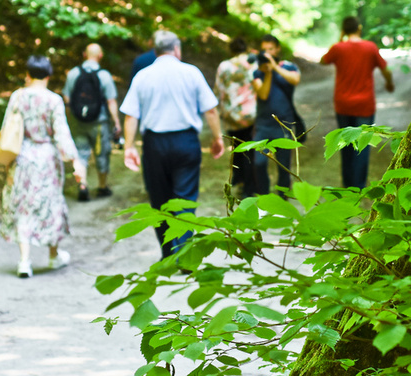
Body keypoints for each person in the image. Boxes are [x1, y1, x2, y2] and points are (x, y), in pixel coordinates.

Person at [120, 30, 224, 259]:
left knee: (159, 199)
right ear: (177, 49)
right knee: (185, 199)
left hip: (154, 144)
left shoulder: (143, 76)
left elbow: (130, 115)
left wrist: (129, 146)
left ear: (155, 50)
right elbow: (211, 109)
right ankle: (186, 254)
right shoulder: (191, 73)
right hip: (186, 142)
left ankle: (168, 254)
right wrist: (218, 138)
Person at [0, 55, 87, 278]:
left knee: (23, 206)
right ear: (48, 76)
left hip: (22, 157)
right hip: (47, 158)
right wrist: (75, 161)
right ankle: (53, 256)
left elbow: (6, 130)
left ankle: (24, 261)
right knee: (50, 205)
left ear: (27, 75)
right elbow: (62, 134)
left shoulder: (17, 97)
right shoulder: (53, 100)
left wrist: (6, 161)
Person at [320, 16, 394, 189]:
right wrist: (389, 83)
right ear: (359, 29)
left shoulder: (338, 48)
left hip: (343, 105)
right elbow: (385, 69)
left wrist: (340, 40)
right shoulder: (370, 47)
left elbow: (322, 61)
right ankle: (358, 188)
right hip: (364, 106)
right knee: (362, 146)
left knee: (344, 145)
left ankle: (347, 186)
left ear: (344, 30)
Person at [62, 43, 122, 201]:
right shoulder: (104, 75)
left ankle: (82, 185)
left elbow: (67, 97)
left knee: (80, 153)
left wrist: (72, 117)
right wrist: (117, 122)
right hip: (99, 123)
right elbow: (111, 101)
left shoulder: (73, 73)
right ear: (100, 55)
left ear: (84, 54)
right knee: (101, 153)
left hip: (78, 122)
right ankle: (102, 187)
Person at [251, 34, 301, 196]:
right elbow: (263, 95)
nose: (267, 53)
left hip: (284, 124)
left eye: (270, 49)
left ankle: (282, 200)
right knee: (259, 163)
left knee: (284, 166)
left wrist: (275, 67)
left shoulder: (289, 67)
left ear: (277, 49)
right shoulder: (258, 73)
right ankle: (264, 197)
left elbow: (295, 80)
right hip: (263, 125)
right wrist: (268, 72)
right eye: (264, 50)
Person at [215, 37, 257, 199]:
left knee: (236, 149)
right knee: (250, 150)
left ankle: (238, 180)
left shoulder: (224, 66)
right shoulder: (252, 62)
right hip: (250, 114)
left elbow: (219, 88)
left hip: (231, 115)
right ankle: (249, 187)